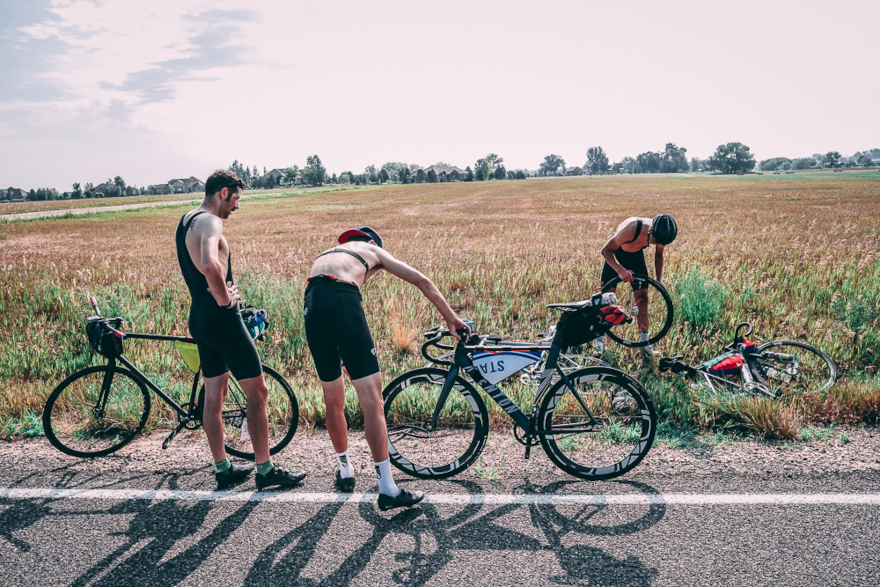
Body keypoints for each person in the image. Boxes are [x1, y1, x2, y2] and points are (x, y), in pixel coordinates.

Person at [304, 226, 469, 511]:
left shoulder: (328, 255)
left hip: (312, 303)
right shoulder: (373, 250)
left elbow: (325, 300)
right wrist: (451, 318)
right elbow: (422, 280)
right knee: (373, 403)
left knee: (333, 401)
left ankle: (345, 470)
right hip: (343, 302)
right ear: (372, 244)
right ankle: (388, 489)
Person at [175, 169, 306, 490]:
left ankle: (223, 468)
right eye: (236, 198)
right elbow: (208, 264)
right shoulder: (209, 221)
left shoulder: (186, 219)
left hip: (200, 318)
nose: (237, 205)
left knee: (214, 395)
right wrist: (224, 300)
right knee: (258, 393)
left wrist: (214, 300)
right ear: (222, 193)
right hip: (222, 321)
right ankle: (265, 471)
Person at [598, 214, 678, 360]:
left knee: (642, 300)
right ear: (651, 231)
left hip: (636, 258)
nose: (656, 243)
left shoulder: (661, 234)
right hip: (616, 255)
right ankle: (599, 344)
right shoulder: (633, 228)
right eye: (654, 241)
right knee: (606, 300)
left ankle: (645, 343)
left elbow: (659, 255)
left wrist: (659, 280)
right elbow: (605, 250)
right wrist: (620, 270)